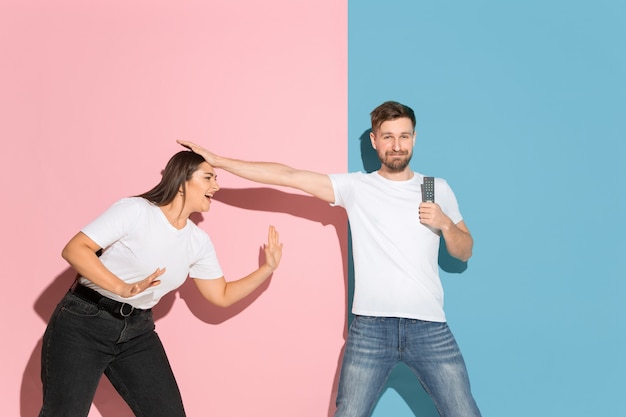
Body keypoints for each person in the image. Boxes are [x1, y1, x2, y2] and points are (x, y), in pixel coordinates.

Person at [178, 100, 481, 417]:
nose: (397, 145)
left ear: (414, 139)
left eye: (404, 136)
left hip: (429, 327)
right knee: (348, 413)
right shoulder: (357, 187)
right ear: (375, 141)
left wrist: (445, 223)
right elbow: (288, 176)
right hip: (371, 328)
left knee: (464, 412)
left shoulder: (434, 188)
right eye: (388, 136)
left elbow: (464, 251)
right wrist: (219, 162)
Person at [39, 150, 283, 417]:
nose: (216, 186)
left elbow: (221, 295)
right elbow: (75, 249)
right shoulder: (136, 211)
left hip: (136, 331)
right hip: (84, 323)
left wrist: (266, 269)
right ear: (181, 182)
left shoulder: (197, 241)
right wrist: (121, 287)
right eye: (208, 177)